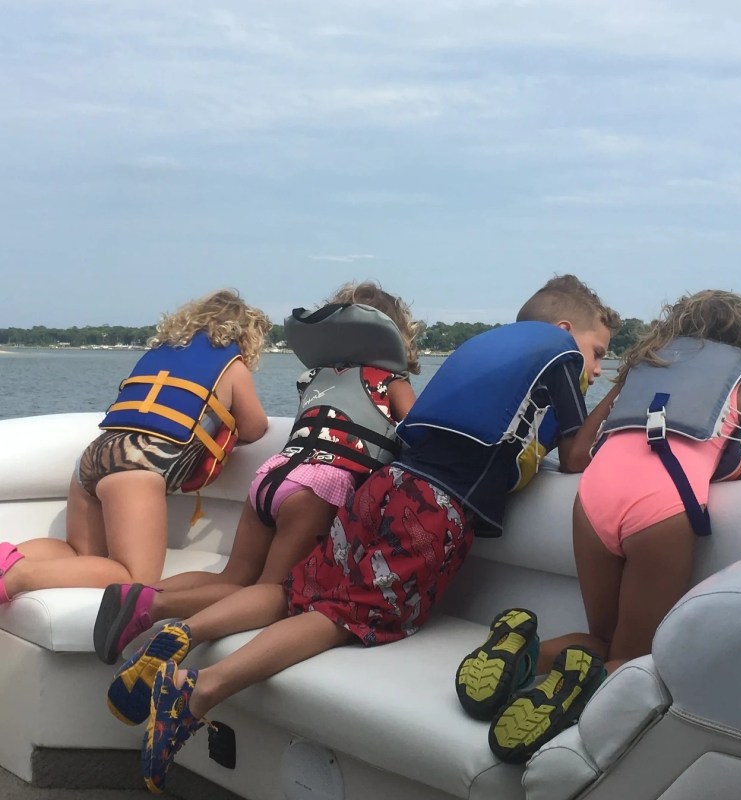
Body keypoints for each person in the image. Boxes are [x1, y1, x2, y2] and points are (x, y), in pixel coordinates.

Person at [104, 274, 620, 793]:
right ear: (563, 329)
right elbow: (575, 456)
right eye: (599, 352)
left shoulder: (485, 350)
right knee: (343, 617)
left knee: (293, 590)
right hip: (435, 509)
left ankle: (181, 633)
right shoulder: (560, 358)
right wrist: (620, 391)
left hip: (383, 486)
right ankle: (197, 692)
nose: (596, 367)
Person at [458, 289, 741, 765]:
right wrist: (721, 475)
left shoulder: (638, 376)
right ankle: (566, 705)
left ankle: (522, 652)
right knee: (632, 658)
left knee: (602, 638)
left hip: (592, 503)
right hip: (660, 512)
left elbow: (575, 457)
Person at [92, 281, 421, 670]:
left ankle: (135, 596)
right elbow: (419, 435)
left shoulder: (313, 377)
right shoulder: (391, 383)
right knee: (275, 593)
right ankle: (159, 608)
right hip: (318, 488)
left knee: (235, 575)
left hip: (272, 476)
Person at [0, 289, 269, 604]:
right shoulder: (232, 366)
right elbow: (255, 427)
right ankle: (19, 577)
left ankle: (7, 559)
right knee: (134, 577)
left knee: (74, 551)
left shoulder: (160, 355)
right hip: (137, 466)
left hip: (94, 456)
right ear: (246, 334)